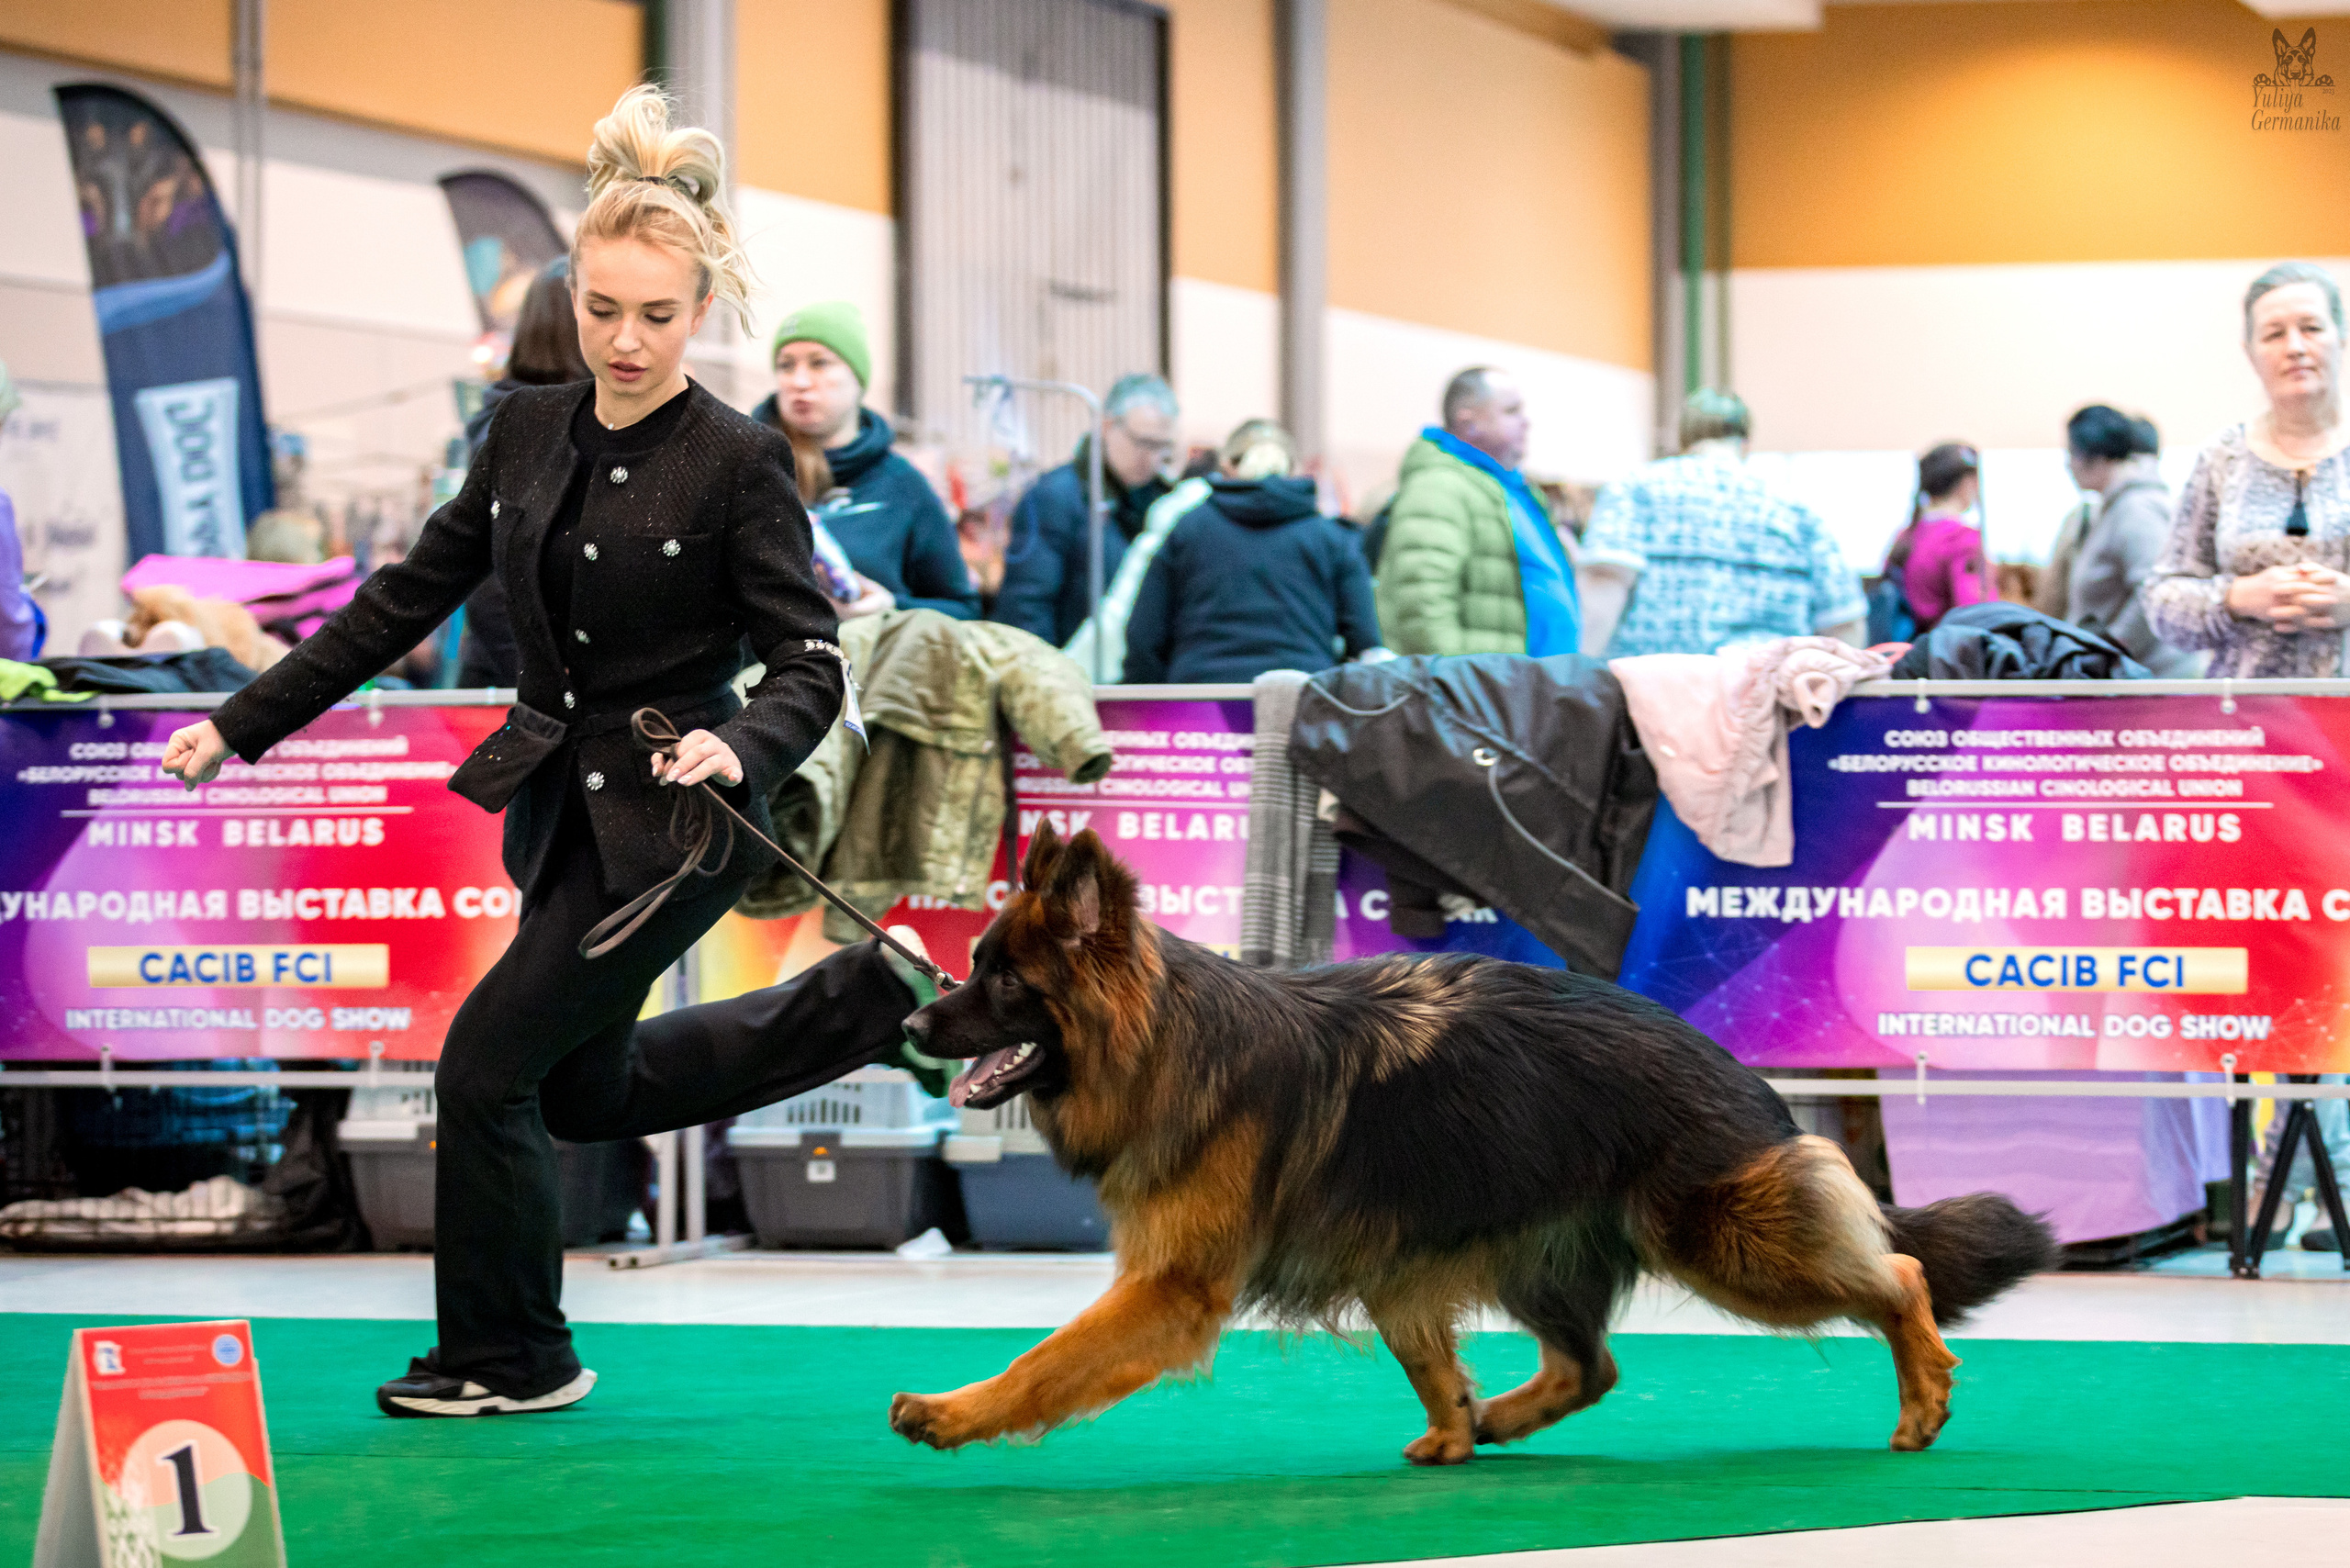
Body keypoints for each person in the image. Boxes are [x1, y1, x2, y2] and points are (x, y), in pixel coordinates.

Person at [158, 85, 926, 1419]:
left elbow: (811, 662)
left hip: (677, 829)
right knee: (580, 1086)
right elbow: (404, 600)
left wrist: (739, 748)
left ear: (702, 312)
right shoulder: (518, 431)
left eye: (659, 315)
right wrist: (241, 721)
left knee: (486, 1066)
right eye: (602, 310)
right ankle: (860, 1007)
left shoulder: (744, 463)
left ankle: (512, 1358)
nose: (626, 341)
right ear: (574, 298)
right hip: (555, 816)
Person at [2149, 262, 2350, 676]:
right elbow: (2162, 603)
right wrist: (2238, 598)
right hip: (2246, 724)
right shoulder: (2221, 458)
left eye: (2311, 328)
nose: (2295, 347)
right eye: (2274, 334)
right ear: (2251, 352)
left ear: (2341, 336)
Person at [1583, 389, 1863, 656]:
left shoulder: (1636, 489)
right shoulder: (1796, 510)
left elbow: (1603, 591)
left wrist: (1580, 672)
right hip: (1763, 694)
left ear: (1683, 437)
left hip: (1651, 690)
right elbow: (1844, 622)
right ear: (1746, 443)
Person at [752, 301, 979, 619]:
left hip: (869, 664)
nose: (798, 381)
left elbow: (963, 611)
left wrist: (890, 608)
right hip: (761, 668)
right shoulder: (749, 472)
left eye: (819, 363)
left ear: (857, 378)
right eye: (786, 366)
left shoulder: (902, 485)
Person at [1122, 420, 1381, 684]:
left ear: (1226, 467)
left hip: (1201, 704)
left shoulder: (1187, 530)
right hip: (1301, 701)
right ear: (1293, 468)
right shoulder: (1332, 539)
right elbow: (1366, 644)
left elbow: (1144, 638)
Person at [1376, 366, 1580, 657]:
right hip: (1491, 690)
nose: (1526, 422)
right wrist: (1461, 688)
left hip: (1533, 684)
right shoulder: (1439, 486)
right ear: (1468, 422)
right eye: (1511, 411)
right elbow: (1421, 606)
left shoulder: (1507, 488)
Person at [994, 373, 1178, 646]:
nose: (1152, 458)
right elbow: (1027, 604)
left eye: (1162, 447)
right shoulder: (1053, 497)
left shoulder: (1165, 502)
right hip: (1073, 669)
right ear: (1106, 427)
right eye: (1143, 443)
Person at [2041, 406, 2197, 674]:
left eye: (2071, 453)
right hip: (2132, 675)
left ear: (2094, 455)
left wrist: (2112, 650)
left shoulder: (2136, 510)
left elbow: (2153, 592)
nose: (2068, 464)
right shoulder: (2112, 508)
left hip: (2151, 679)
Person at [1880, 443, 1992, 634]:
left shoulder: (1906, 535)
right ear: (1967, 483)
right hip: (1946, 655)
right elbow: (1976, 617)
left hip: (1911, 652)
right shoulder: (1961, 539)